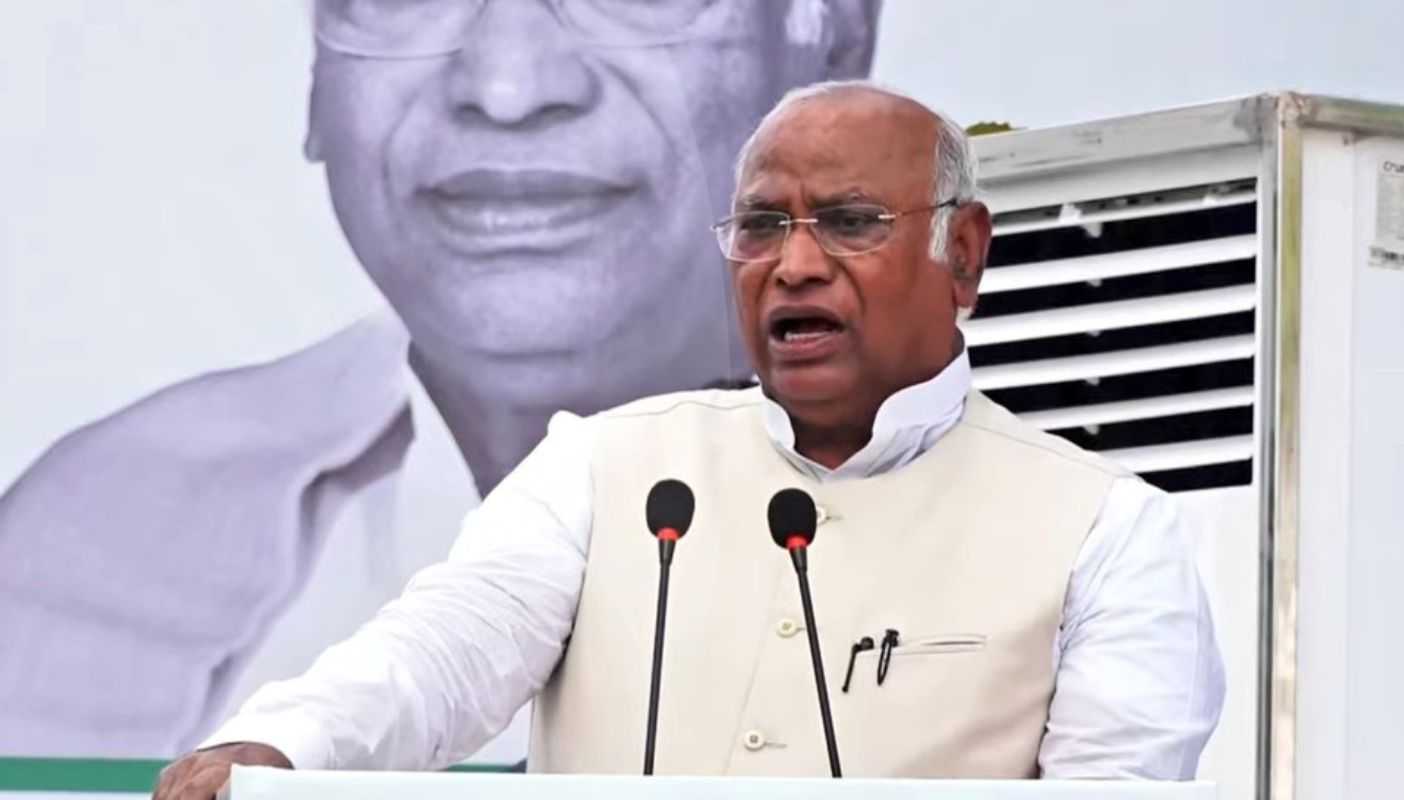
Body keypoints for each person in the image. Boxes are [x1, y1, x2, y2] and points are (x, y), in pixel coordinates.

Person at [152, 81, 1225, 799]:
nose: (794, 265)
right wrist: (280, 748)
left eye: (849, 222)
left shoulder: (1103, 531)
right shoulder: (605, 467)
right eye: (762, 225)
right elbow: (436, 656)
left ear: (965, 255)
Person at [0, 0, 881, 762]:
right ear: (316, 70)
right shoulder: (83, 550)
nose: (507, 87)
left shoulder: (980, 496)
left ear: (831, 40)